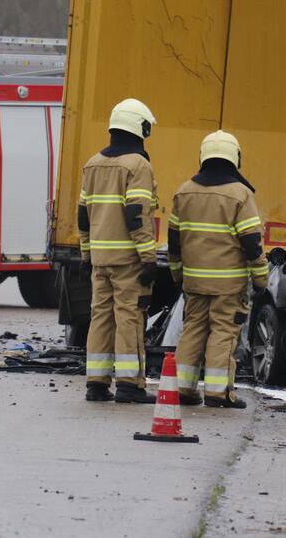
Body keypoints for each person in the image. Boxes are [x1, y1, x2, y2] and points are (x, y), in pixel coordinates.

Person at [169, 130, 267, 409]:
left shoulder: (184, 191)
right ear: (235, 158)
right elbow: (252, 242)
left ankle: (183, 388)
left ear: (203, 156)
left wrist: (178, 275)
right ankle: (218, 392)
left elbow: (174, 241)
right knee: (223, 333)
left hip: (194, 282)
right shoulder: (240, 194)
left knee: (193, 330)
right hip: (228, 285)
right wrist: (260, 279)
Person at [79, 98, 159, 404]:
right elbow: (136, 214)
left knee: (100, 317)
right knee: (129, 317)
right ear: (139, 127)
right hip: (128, 259)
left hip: (100, 258)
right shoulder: (138, 165)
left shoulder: (92, 163)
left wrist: (86, 254)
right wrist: (148, 257)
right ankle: (129, 384)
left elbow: (83, 214)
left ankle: (96, 384)